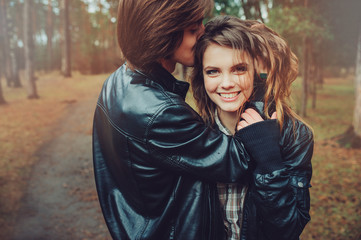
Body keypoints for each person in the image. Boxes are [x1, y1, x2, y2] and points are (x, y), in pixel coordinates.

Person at [92, 1, 286, 240]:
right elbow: (238, 158)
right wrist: (260, 80)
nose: (202, 33)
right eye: (193, 30)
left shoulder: (118, 81)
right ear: (163, 31)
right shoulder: (160, 111)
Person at [190, 15, 314, 240]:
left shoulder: (295, 135)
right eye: (213, 71)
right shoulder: (193, 133)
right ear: (201, 77)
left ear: (256, 73)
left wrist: (269, 162)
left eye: (239, 69)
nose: (226, 83)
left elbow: (288, 229)